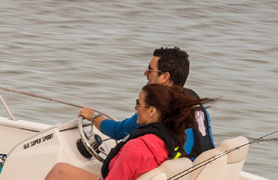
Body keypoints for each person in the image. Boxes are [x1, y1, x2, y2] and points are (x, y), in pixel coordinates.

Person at [29, 84, 205, 180]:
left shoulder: (138, 147)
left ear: (152, 110)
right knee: (60, 170)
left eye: (138, 102)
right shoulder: (167, 140)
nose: (135, 107)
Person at [79, 46, 213, 156]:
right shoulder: (194, 99)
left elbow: (118, 131)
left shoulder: (159, 106)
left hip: (178, 176)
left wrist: (93, 116)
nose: (145, 73)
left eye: (150, 70)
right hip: (201, 170)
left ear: (165, 77)